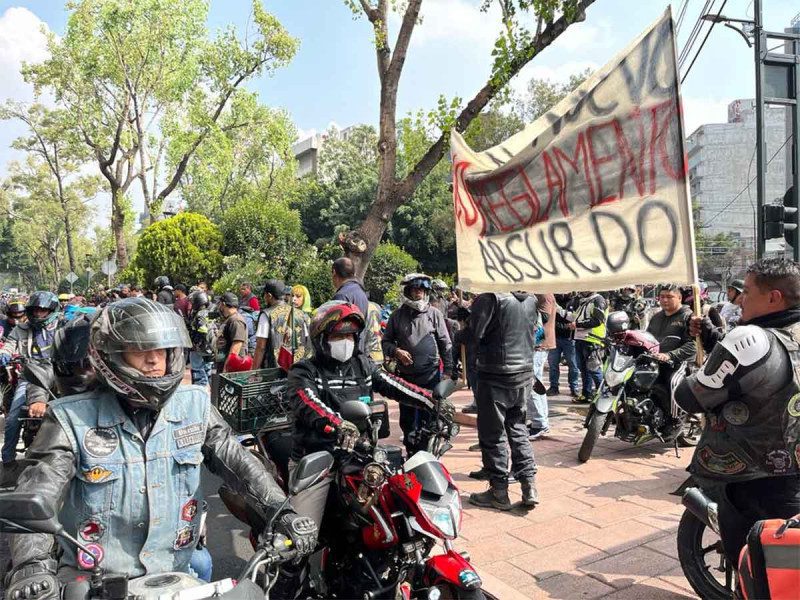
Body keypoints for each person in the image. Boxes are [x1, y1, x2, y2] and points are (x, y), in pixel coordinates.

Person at [5, 298, 316, 597]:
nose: (154, 360)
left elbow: (236, 460)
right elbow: (40, 489)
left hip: (174, 576)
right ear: (111, 356)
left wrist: (282, 511)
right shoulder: (69, 419)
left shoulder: (194, 405)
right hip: (92, 582)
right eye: (140, 350)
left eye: (162, 350)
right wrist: (31, 566)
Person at [676, 258, 800, 568]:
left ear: (774, 297)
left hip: (758, 482)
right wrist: (713, 340)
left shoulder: (751, 339)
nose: (740, 299)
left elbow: (690, 397)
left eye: (747, 291)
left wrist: (709, 360)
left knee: (757, 571)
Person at [467, 291, 539, 510]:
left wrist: (462, 327)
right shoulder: (531, 299)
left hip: (495, 374)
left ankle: (499, 491)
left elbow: (474, 336)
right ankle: (529, 485)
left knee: (493, 434)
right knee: (518, 429)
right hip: (523, 372)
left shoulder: (490, 298)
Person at [381, 273, 453, 454]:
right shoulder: (397, 316)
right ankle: (411, 453)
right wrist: (396, 351)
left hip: (431, 376)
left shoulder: (434, 314)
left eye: (422, 289)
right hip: (406, 379)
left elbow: (446, 343)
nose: (418, 292)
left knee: (430, 419)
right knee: (408, 421)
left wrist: (448, 371)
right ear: (408, 291)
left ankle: (428, 455)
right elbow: (386, 342)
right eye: (415, 289)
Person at [0, 291, 60, 485]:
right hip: (31, 376)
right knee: (13, 417)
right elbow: (9, 344)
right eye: (35, 310)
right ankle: (8, 459)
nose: (39, 314)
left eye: (43, 310)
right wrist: (5, 354)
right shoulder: (21, 329)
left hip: (60, 375)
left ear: (52, 310)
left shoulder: (63, 327)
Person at [645, 283, 696, 436]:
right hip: (657, 360)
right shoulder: (656, 317)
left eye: (669, 297)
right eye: (662, 297)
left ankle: (675, 421)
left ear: (679, 298)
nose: (665, 300)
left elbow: (693, 345)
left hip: (681, 362)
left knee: (673, 382)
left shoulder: (688, 316)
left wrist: (670, 355)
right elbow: (647, 338)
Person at [254, 279, 309, 370]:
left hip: (274, 371)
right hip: (297, 370)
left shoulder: (267, 315)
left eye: (264, 294)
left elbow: (261, 347)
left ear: (269, 295)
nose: (264, 297)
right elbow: (307, 342)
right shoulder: (301, 314)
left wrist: (253, 371)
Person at [570, 291, 608, 403]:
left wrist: (578, 325)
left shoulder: (598, 300)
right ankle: (586, 394)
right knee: (584, 369)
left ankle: (604, 397)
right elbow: (575, 317)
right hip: (581, 338)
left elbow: (598, 320)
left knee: (594, 369)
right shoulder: (583, 301)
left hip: (593, 340)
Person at [528, 293, 556, 440]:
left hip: (538, 346)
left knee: (531, 384)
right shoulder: (539, 293)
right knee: (537, 385)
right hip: (538, 345)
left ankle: (540, 423)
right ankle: (541, 421)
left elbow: (543, 319)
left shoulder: (543, 293)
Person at [547, 293, 580, 398]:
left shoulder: (575, 301)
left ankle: (574, 387)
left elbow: (576, 318)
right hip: (555, 337)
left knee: (573, 365)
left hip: (570, 338)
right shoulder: (554, 299)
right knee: (553, 364)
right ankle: (554, 387)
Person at [216, 291, 251, 372]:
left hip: (233, 368)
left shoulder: (236, 320)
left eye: (220, 303)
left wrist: (226, 367)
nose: (219, 306)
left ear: (223, 304)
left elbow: (237, 344)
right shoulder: (230, 319)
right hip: (225, 363)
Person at [188, 291, 215, 387]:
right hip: (209, 347)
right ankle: (213, 392)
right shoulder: (210, 311)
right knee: (208, 371)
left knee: (197, 371)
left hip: (199, 347)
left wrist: (195, 341)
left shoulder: (200, 314)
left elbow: (202, 330)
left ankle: (199, 391)